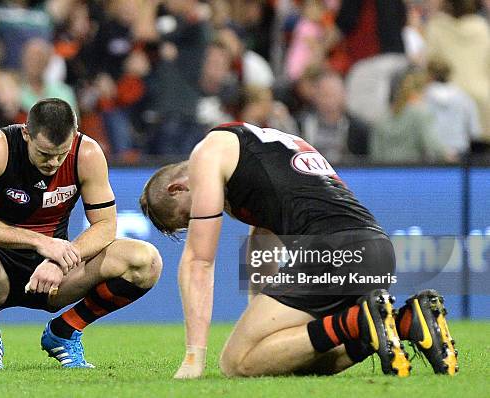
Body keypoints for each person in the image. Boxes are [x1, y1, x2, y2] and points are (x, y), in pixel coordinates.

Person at [139, 122, 458, 378]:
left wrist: (194, 356)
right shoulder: (263, 146)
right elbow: (261, 239)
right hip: (375, 252)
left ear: (177, 187)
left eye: (187, 216)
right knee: (298, 358)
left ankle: (360, 320)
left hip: (333, 252)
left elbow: (198, 261)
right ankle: (407, 322)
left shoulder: (207, 153)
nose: (198, 220)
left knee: (236, 362)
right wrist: (260, 309)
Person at [0, 98, 162, 369]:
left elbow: (106, 225)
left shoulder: (87, 153)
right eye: (45, 153)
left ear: (74, 135)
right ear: (26, 134)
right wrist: (41, 242)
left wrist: (61, 259)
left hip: (59, 274)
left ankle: (65, 332)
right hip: (0, 268)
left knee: (146, 261)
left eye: (61, 153)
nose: (54, 162)